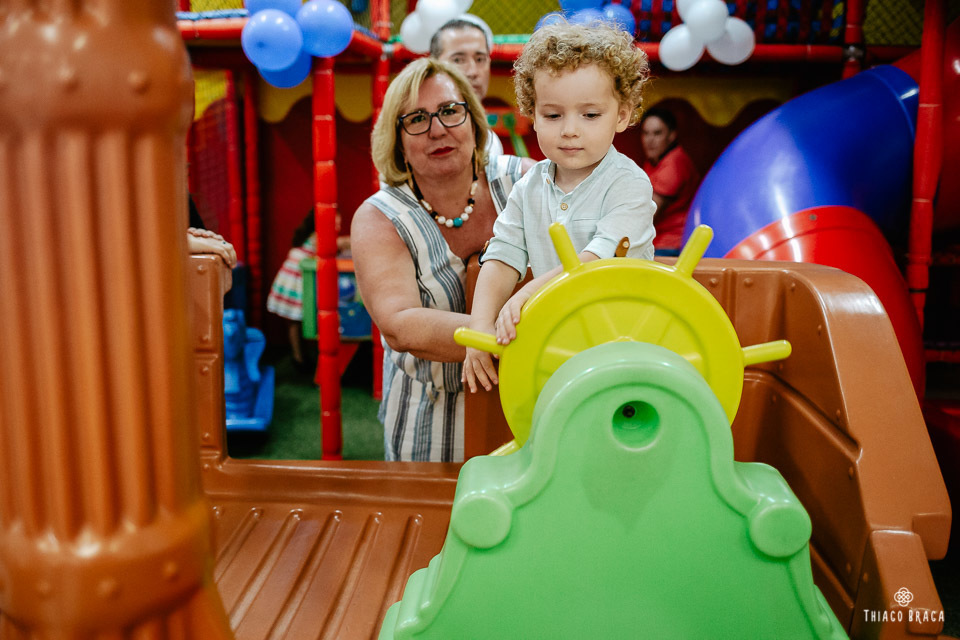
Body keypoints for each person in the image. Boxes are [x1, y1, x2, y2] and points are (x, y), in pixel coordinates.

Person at [351, 57, 534, 462]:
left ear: (472, 119)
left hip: (530, 402)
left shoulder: (526, 182)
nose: (438, 129)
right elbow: (400, 324)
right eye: (416, 119)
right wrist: (516, 337)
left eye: (450, 111)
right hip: (432, 417)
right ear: (397, 140)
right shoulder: (379, 217)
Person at [462, 21, 657, 393]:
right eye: (553, 115)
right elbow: (502, 258)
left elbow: (595, 264)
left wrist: (526, 294)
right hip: (556, 347)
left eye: (590, 115)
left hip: (623, 347)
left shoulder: (629, 184)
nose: (569, 130)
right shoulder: (528, 186)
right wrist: (479, 327)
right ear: (532, 114)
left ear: (622, 114)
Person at [429, 15, 504, 158]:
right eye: (458, 60)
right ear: (434, 65)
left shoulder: (491, 141)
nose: (472, 72)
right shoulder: (419, 133)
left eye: (480, 59)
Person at [640, 106, 700, 255]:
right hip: (656, 241)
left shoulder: (673, 164)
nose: (650, 140)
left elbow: (647, 214)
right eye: (646, 133)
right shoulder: (655, 160)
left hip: (670, 245)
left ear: (672, 135)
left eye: (657, 133)